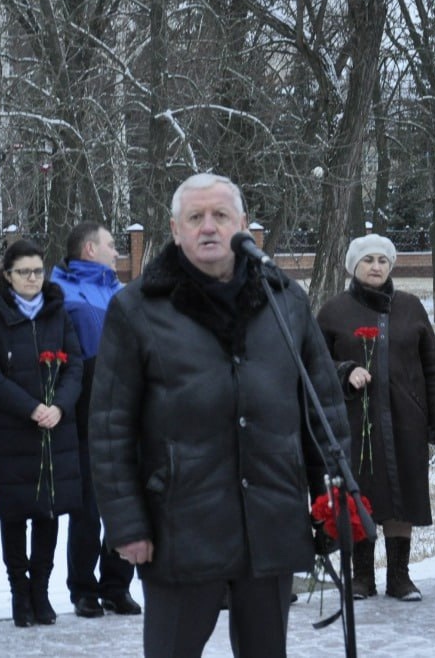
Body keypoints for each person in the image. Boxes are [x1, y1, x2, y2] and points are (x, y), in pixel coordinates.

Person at [90, 173, 352, 658]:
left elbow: (323, 407)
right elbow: (110, 427)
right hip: (180, 527)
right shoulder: (138, 308)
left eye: (221, 216)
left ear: (243, 226)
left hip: (270, 521)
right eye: (195, 218)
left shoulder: (284, 298)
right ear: (176, 229)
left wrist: (332, 496)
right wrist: (127, 524)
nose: (208, 227)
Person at [317, 234, 435, 603]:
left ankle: (400, 576)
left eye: (383, 260)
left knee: (402, 495)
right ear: (353, 266)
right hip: (354, 422)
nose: (376, 266)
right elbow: (312, 364)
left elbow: (434, 366)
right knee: (361, 494)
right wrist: (344, 371)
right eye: (368, 260)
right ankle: (361, 576)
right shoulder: (334, 310)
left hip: (405, 418)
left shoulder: (411, 307)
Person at [0, 239, 84, 627]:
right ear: (8, 276)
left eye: (38, 270)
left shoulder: (58, 314)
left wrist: (60, 406)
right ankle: (19, 592)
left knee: (48, 512)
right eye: (24, 272)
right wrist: (30, 407)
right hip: (14, 432)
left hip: (55, 430)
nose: (33, 278)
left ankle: (41, 590)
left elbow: (75, 366)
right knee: (15, 513)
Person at [50, 222, 141, 618]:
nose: (116, 251)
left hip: (126, 403)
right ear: (89, 249)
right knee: (88, 505)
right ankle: (83, 588)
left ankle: (117, 584)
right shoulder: (60, 292)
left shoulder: (119, 291)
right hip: (84, 403)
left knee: (126, 499)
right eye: (110, 244)